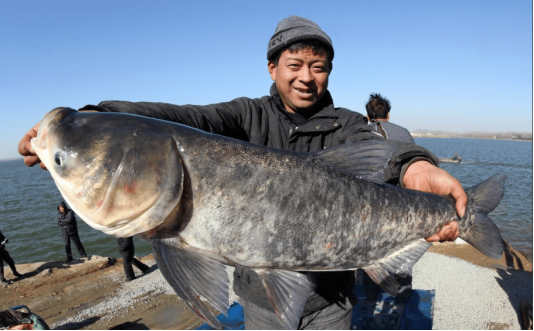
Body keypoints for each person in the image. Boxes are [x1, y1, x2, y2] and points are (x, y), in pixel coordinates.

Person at [19, 15, 464, 330]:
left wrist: (418, 167)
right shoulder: (247, 115)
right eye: (295, 65)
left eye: (318, 67)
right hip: (261, 298)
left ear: (328, 72)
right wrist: (96, 116)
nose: (307, 77)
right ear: (273, 68)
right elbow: (181, 118)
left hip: (333, 298)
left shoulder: (349, 124)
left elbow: (389, 154)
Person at [363, 93, 416, 303]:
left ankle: (370, 296)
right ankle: (402, 297)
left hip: (370, 205)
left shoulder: (362, 132)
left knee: (370, 253)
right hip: (400, 203)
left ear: (368, 116)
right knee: (403, 250)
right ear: (388, 114)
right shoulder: (403, 133)